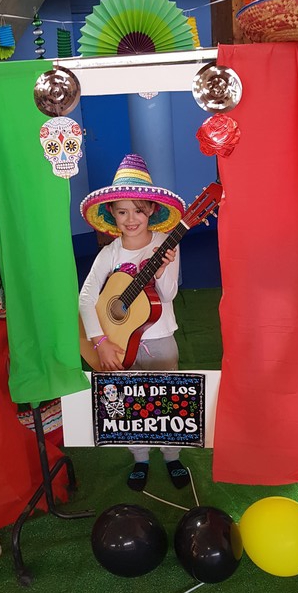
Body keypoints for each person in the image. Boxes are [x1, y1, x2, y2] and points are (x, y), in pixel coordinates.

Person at [79, 153, 191, 492]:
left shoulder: (164, 245)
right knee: (127, 402)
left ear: (152, 210)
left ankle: (172, 456)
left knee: (167, 399)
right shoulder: (110, 253)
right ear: (111, 212)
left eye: (138, 211)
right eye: (123, 211)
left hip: (159, 339)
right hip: (115, 343)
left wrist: (161, 270)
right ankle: (140, 458)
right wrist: (99, 340)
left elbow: (167, 294)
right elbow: (86, 298)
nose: (131, 219)